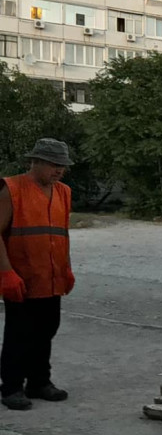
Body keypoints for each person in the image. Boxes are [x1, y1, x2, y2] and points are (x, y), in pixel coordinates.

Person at [0, 139, 76, 411]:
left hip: (51, 276)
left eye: (62, 167)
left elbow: (60, 235)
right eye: (54, 165)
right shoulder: (12, 189)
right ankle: (10, 387)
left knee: (47, 329)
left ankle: (39, 382)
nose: (59, 171)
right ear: (35, 162)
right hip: (21, 277)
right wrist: (6, 272)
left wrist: (66, 268)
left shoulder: (64, 192)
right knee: (20, 332)